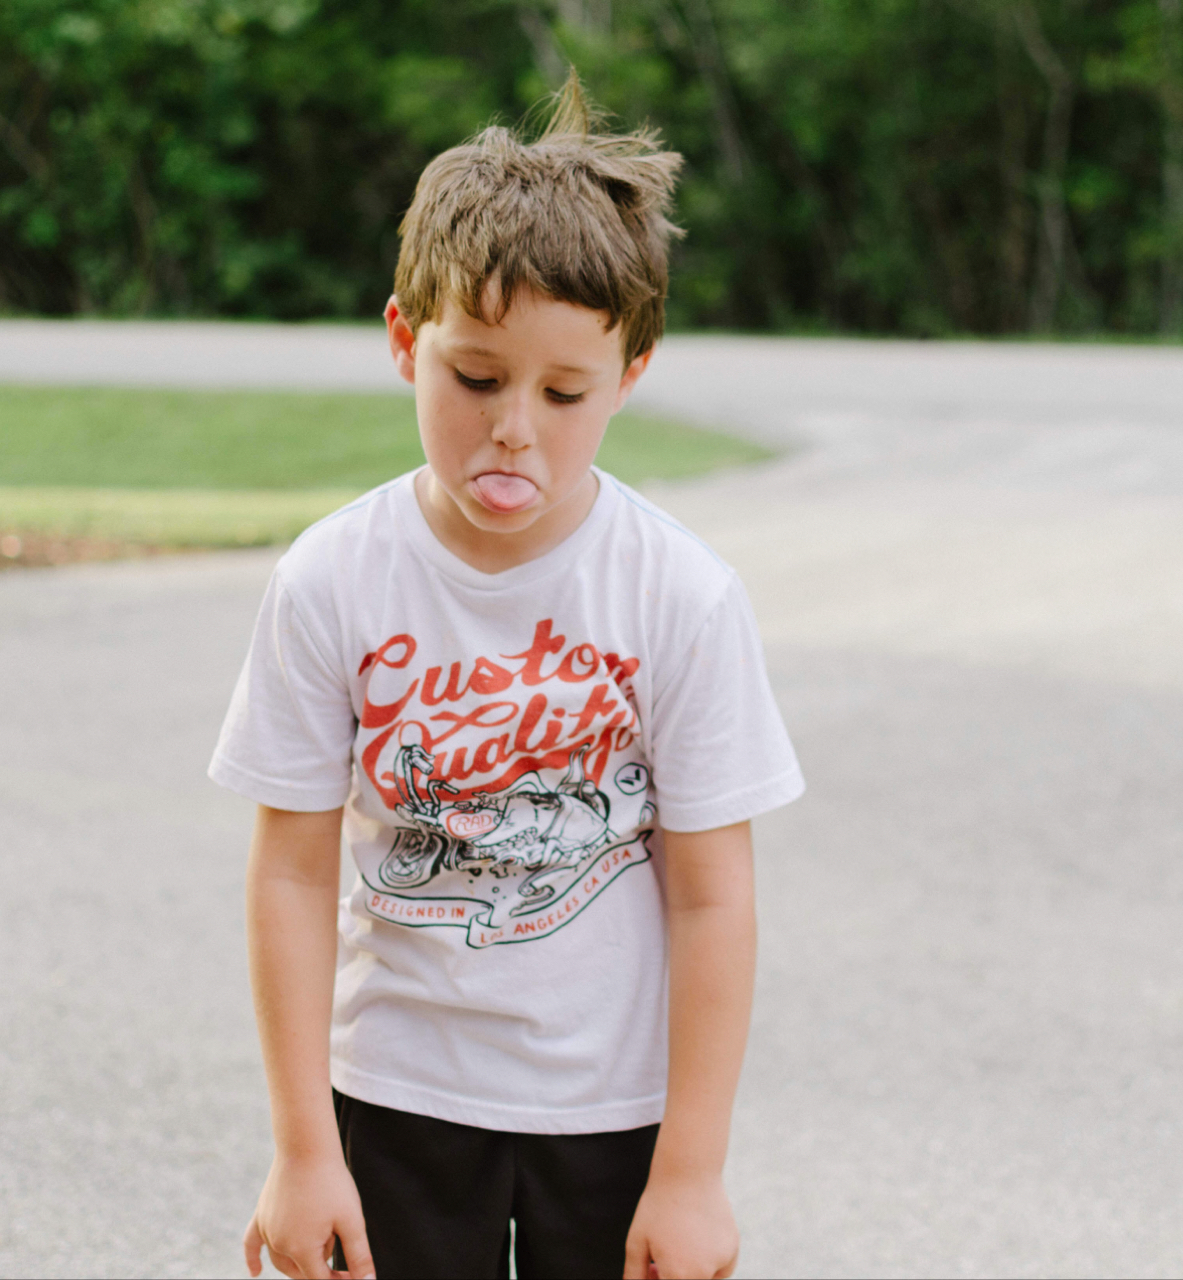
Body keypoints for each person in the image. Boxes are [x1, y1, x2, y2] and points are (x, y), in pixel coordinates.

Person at [209, 75, 803, 1280]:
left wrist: (690, 1170)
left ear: (630, 372)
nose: (515, 428)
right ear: (401, 341)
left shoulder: (678, 596)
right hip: (396, 1094)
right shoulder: (332, 578)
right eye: (475, 378)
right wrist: (300, 1148)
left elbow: (711, 894)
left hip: (613, 1110)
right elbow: (287, 863)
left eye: (564, 391)